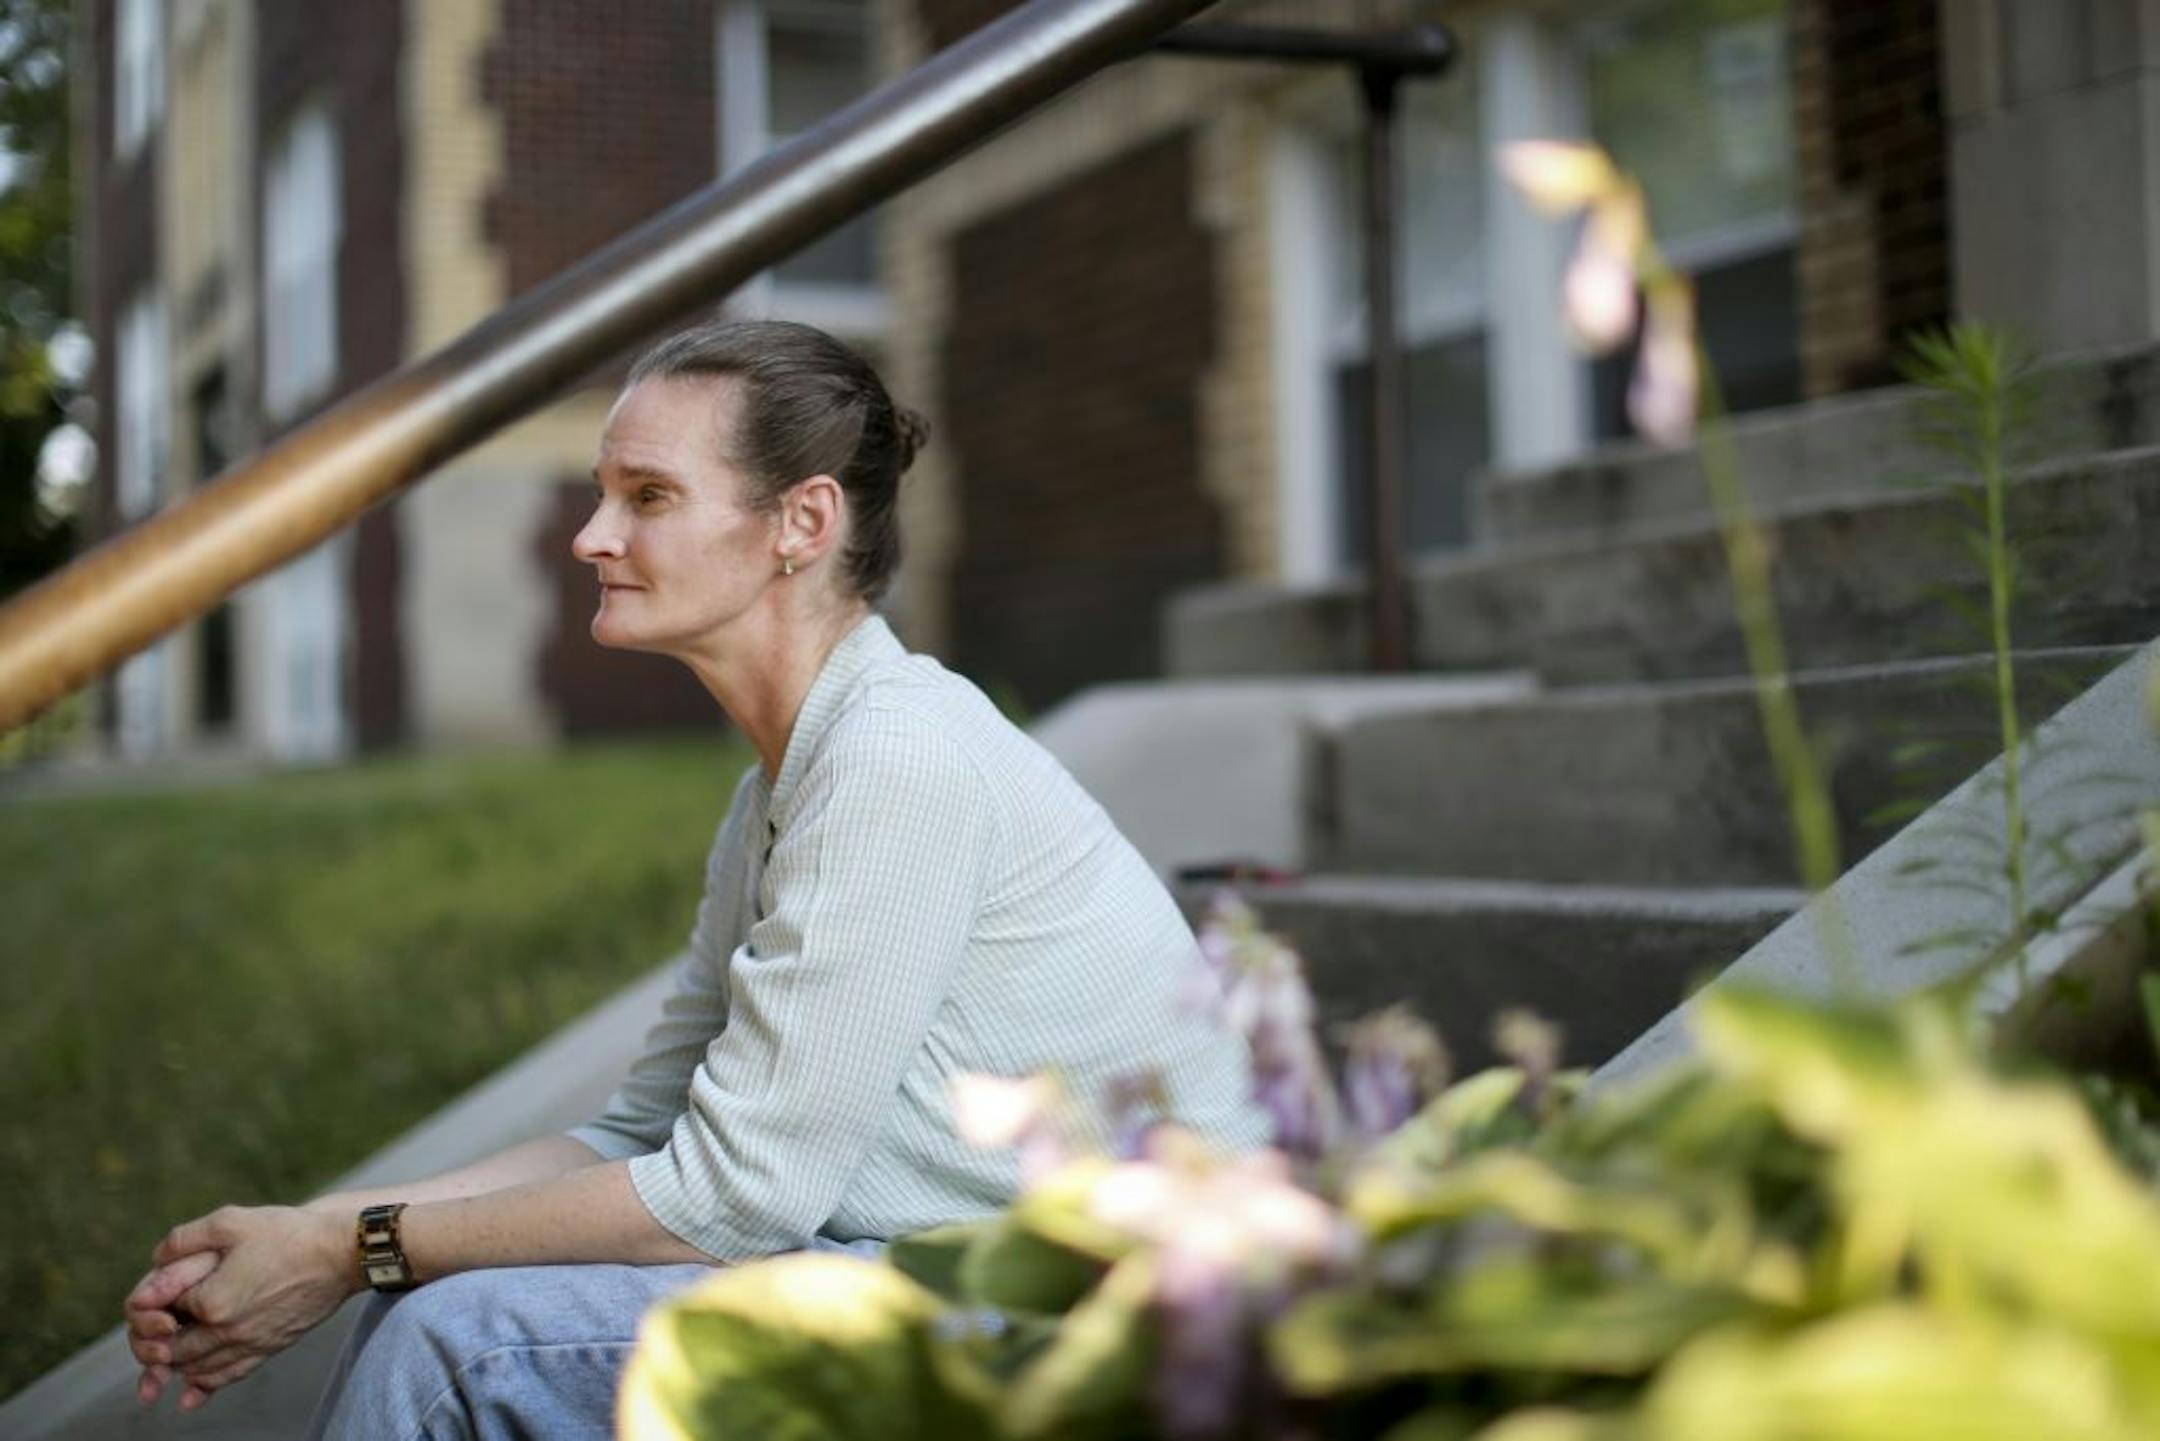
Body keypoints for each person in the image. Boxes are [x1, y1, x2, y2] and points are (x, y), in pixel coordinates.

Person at [122, 318, 1268, 1437]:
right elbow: (642, 1126)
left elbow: (734, 1196)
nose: (590, 535)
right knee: (425, 1304)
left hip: (1092, 1320)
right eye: (602, 491)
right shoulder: (788, 780)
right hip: (927, 1264)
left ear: (801, 522)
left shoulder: (898, 757)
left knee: (461, 1341)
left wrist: (354, 1249)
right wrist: (322, 1228)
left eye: (648, 496)